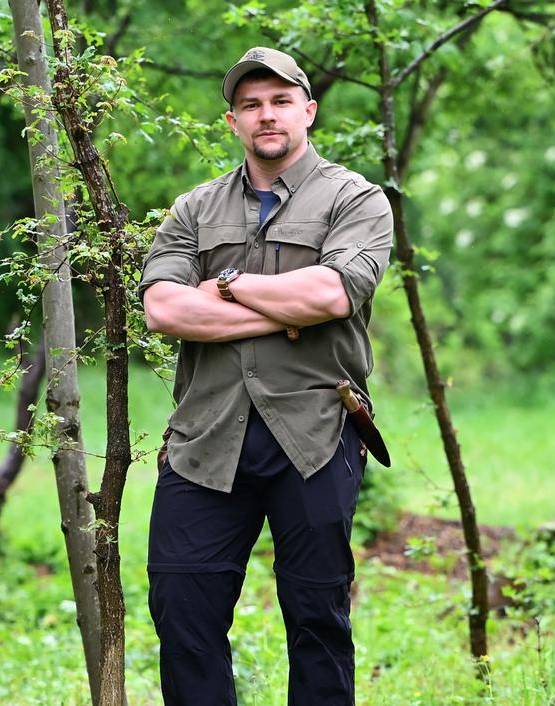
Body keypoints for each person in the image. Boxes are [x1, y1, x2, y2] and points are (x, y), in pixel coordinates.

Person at [137, 46, 393, 705]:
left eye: (280, 102)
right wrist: (282, 313)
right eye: (251, 105)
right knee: (183, 609)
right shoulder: (193, 209)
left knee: (317, 618)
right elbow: (163, 307)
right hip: (205, 438)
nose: (266, 115)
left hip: (313, 433)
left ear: (307, 111)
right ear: (233, 121)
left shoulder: (355, 200)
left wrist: (222, 289)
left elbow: (333, 295)